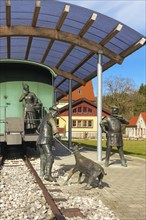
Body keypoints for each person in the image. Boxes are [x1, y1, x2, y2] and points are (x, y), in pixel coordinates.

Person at [36, 106, 60, 181]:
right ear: (53, 111)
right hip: (46, 140)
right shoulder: (51, 118)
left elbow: (38, 129)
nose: (56, 114)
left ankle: (41, 173)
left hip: (40, 140)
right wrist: (57, 135)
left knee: (43, 157)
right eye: (56, 113)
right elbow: (54, 128)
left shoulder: (44, 118)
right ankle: (48, 175)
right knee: (50, 157)